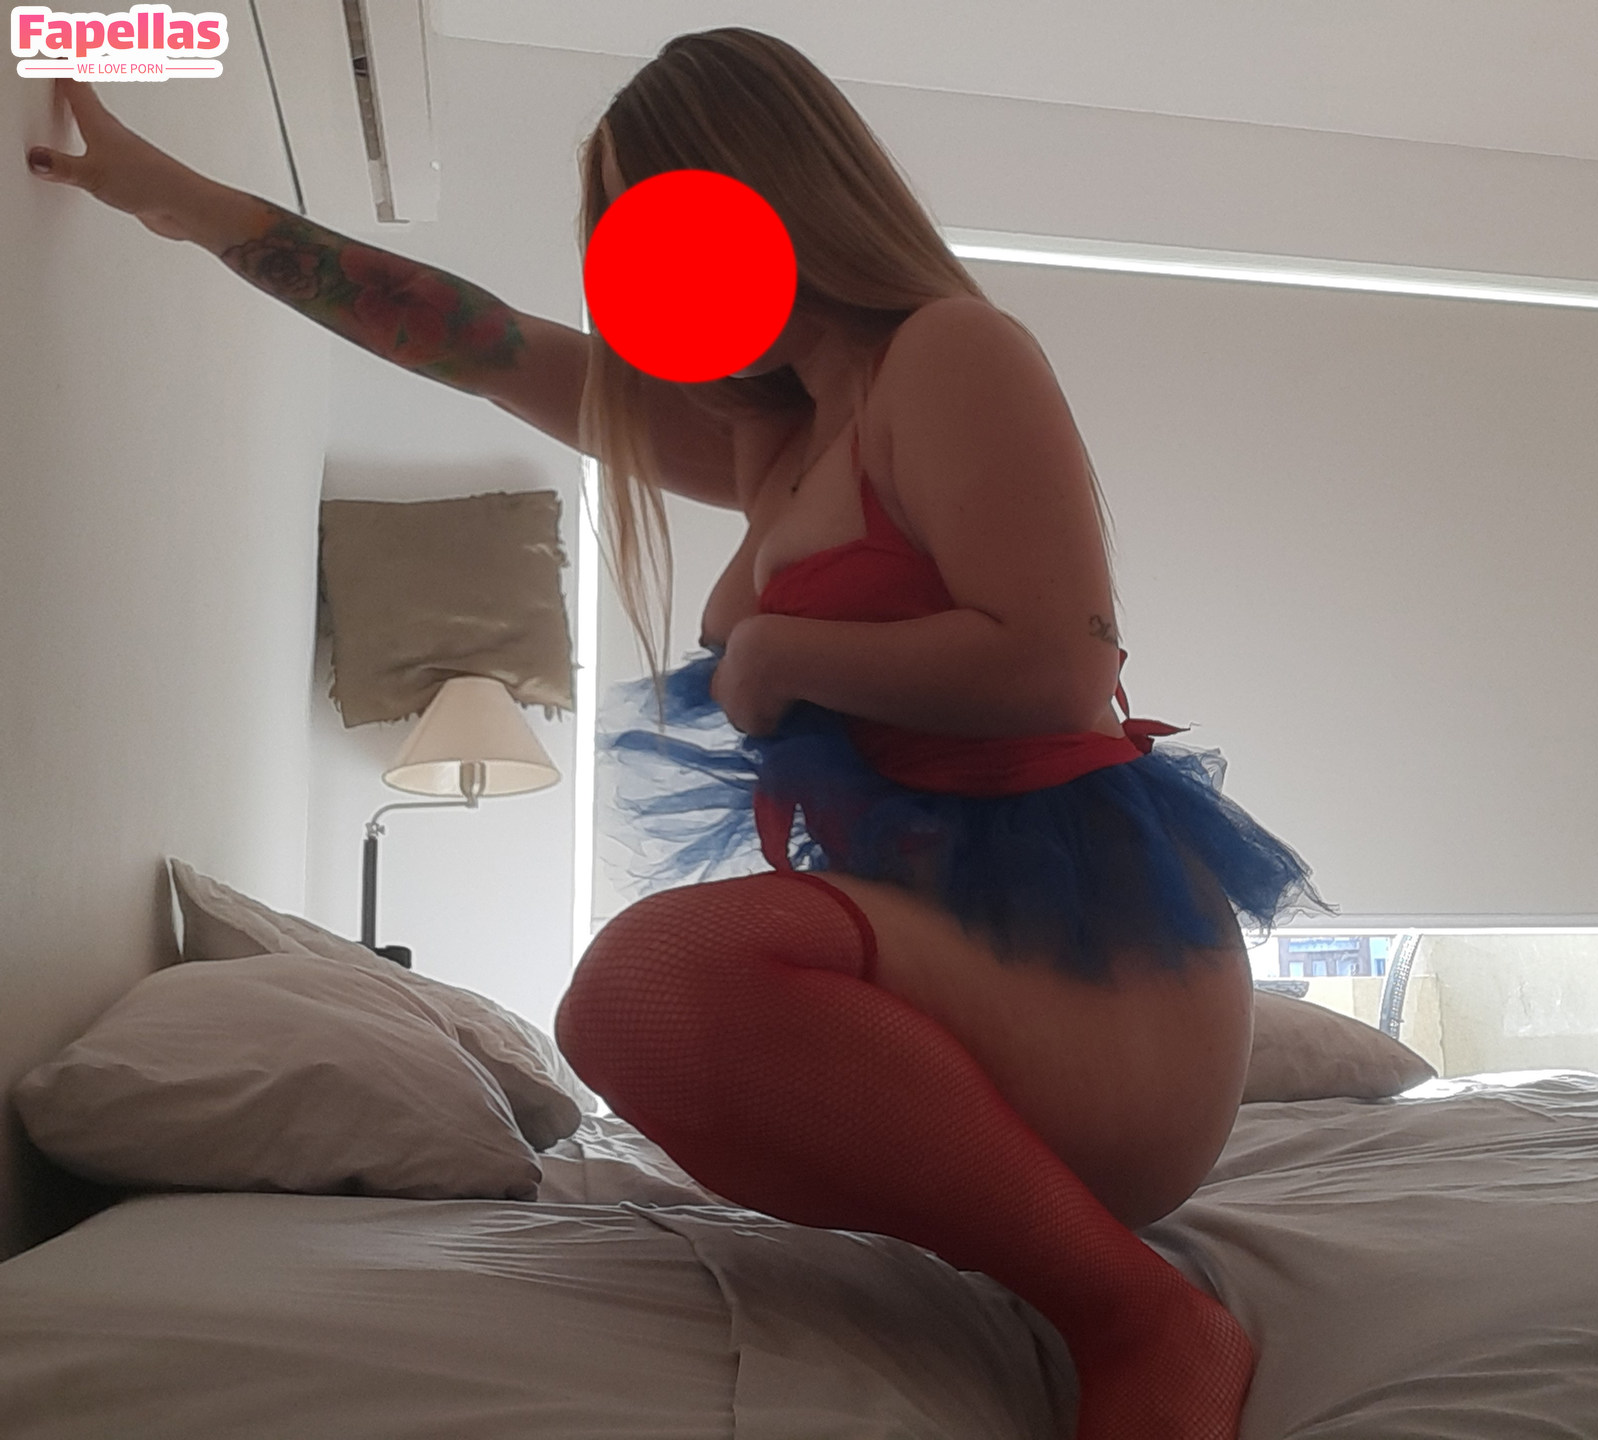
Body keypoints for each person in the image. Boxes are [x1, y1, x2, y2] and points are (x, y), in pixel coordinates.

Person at [29, 30, 1328, 1439]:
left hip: (1089, 977)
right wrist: (189, 204)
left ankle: (1141, 1316)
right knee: (623, 1012)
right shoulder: (777, 437)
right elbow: (478, 342)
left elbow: (1057, 670)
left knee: (646, 983)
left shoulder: (948, 353)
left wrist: (782, 650)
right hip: (971, 952)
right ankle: (1050, 1262)